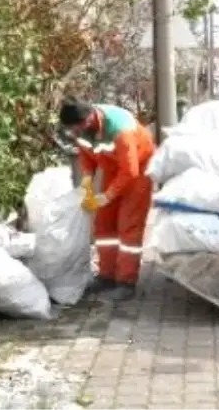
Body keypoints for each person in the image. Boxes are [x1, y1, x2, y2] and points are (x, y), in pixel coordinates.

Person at [58, 97, 156, 302]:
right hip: (114, 168)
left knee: (128, 225)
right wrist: (87, 178)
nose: (77, 132)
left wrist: (108, 195)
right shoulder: (81, 130)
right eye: (73, 129)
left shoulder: (121, 129)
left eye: (79, 127)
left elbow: (130, 171)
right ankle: (107, 275)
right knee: (104, 223)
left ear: (91, 116)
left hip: (139, 169)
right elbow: (86, 155)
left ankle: (126, 282)